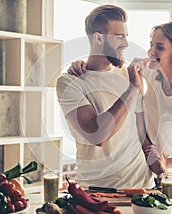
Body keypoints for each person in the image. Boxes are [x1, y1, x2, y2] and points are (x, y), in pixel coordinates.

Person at [67, 21, 172, 187]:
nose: (151, 51)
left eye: (159, 47)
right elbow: (109, 68)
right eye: (151, 44)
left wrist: (166, 163)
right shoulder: (149, 72)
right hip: (135, 169)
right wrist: (82, 66)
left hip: (158, 175)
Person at [56, 4, 155, 189]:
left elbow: (142, 131)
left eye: (126, 36)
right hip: (97, 190)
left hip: (142, 187)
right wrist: (132, 89)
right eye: (119, 37)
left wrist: (161, 167)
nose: (126, 43)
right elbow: (97, 135)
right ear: (98, 38)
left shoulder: (131, 75)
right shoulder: (70, 82)